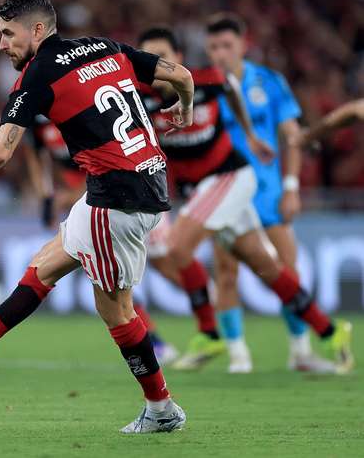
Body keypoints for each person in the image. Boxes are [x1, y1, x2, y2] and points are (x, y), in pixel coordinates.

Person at [0, 0, 196, 433]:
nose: (2, 44)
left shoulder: (39, 73)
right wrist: (186, 108)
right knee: (44, 267)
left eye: (9, 34)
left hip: (116, 199)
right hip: (140, 182)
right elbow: (180, 74)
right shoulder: (106, 47)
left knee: (117, 312)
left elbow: (1, 151)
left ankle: (161, 408)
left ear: (37, 30)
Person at [135, 26, 353, 375]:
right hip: (206, 190)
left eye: (163, 55)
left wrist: (250, 134)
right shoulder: (140, 100)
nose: (156, 63)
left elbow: (231, 90)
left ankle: (208, 332)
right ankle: (329, 330)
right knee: (265, 267)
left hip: (229, 177)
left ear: (178, 58)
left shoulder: (201, 81)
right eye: (149, 57)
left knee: (177, 247)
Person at [206, 14, 339, 373]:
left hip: (268, 193)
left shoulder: (269, 81)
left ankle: (300, 351)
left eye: (226, 45)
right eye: (214, 46)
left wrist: (292, 187)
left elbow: (292, 137)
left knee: (288, 272)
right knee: (226, 271)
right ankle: (238, 356)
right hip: (226, 193)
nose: (220, 52)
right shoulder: (207, 89)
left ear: (242, 45)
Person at [24, 115, 178, 365]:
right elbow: (35, 157)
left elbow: (104, 166)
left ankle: (203, 315)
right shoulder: (39, 124)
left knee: (163, 267)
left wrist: (64, 198)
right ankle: (155, 342)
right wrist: (46, 197)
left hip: (119, 197)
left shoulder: (81, 113)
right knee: (108, 278)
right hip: (93, 207)